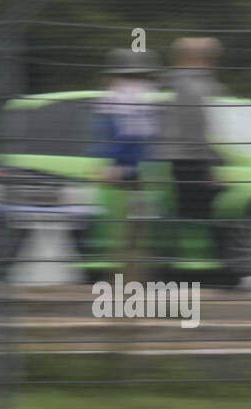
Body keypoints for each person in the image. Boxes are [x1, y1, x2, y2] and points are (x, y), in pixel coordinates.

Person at [91, 48, 161, 280]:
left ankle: (122, 279)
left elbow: (110, 134)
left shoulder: (112, 97)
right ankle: (138, 277)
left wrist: (113, 162)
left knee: (119, 231)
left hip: (118, 172)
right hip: (150, 172)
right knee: (140, 230)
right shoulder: (152, 95)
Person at [158, 37, 225, 262]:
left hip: (171, 159)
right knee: (209, 213)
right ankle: (224, 267)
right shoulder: (197, 86)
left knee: (183, 215)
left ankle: (180, 266)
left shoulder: (167, 83)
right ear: (201, 59)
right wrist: (214, 162)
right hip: (192, 159)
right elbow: (200, 129)